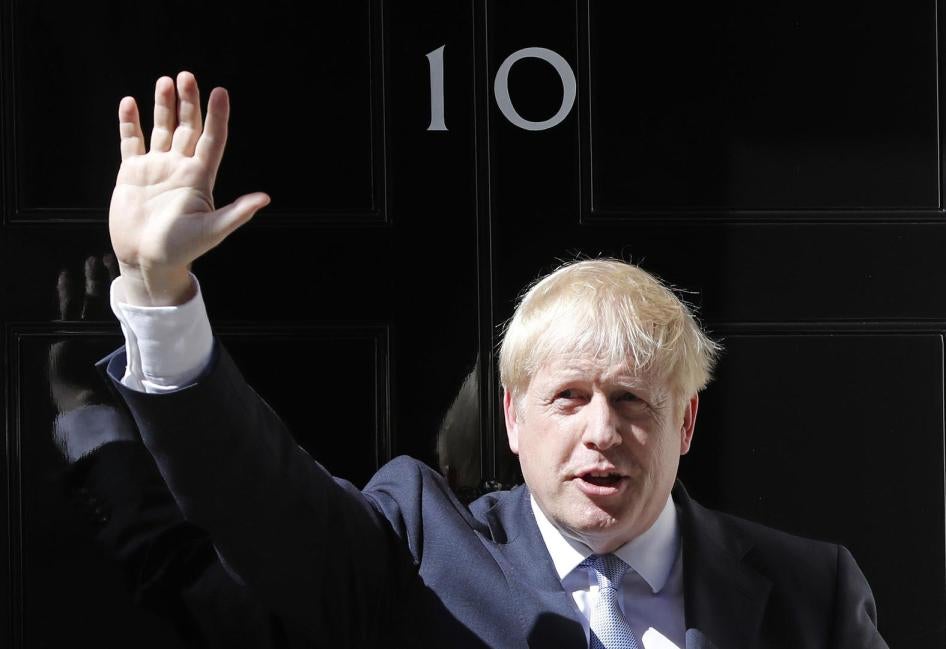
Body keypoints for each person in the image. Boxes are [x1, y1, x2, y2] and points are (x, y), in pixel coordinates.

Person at [101, 71, 889, 648]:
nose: (601, 430)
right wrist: (160, 288)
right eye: (568, 396)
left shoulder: (811, 592)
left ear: (686, 420)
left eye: (633, 400)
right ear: (511, 416)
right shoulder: (418, 544)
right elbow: (255, 497)